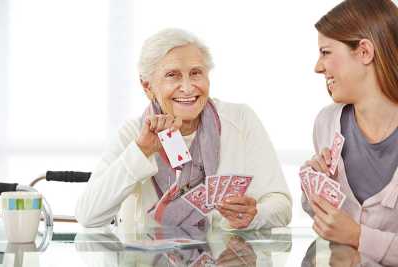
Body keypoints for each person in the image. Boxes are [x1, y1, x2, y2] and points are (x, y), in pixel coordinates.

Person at [76, 28, 291, 231]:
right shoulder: (133, 133)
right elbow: (88, 216)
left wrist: (255, 215)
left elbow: (281, 205)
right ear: (147, 87)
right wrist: (141, 151)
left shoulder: (240, 120)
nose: (188, 88)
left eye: (196, 73)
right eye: (173, 75)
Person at [301, 0, 398, 265]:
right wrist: (314, 187)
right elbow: (328, 222)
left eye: (326, 52)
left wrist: (358, 236)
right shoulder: (326, 122)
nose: (318, 67)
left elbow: (350, 232)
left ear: (364, 52)